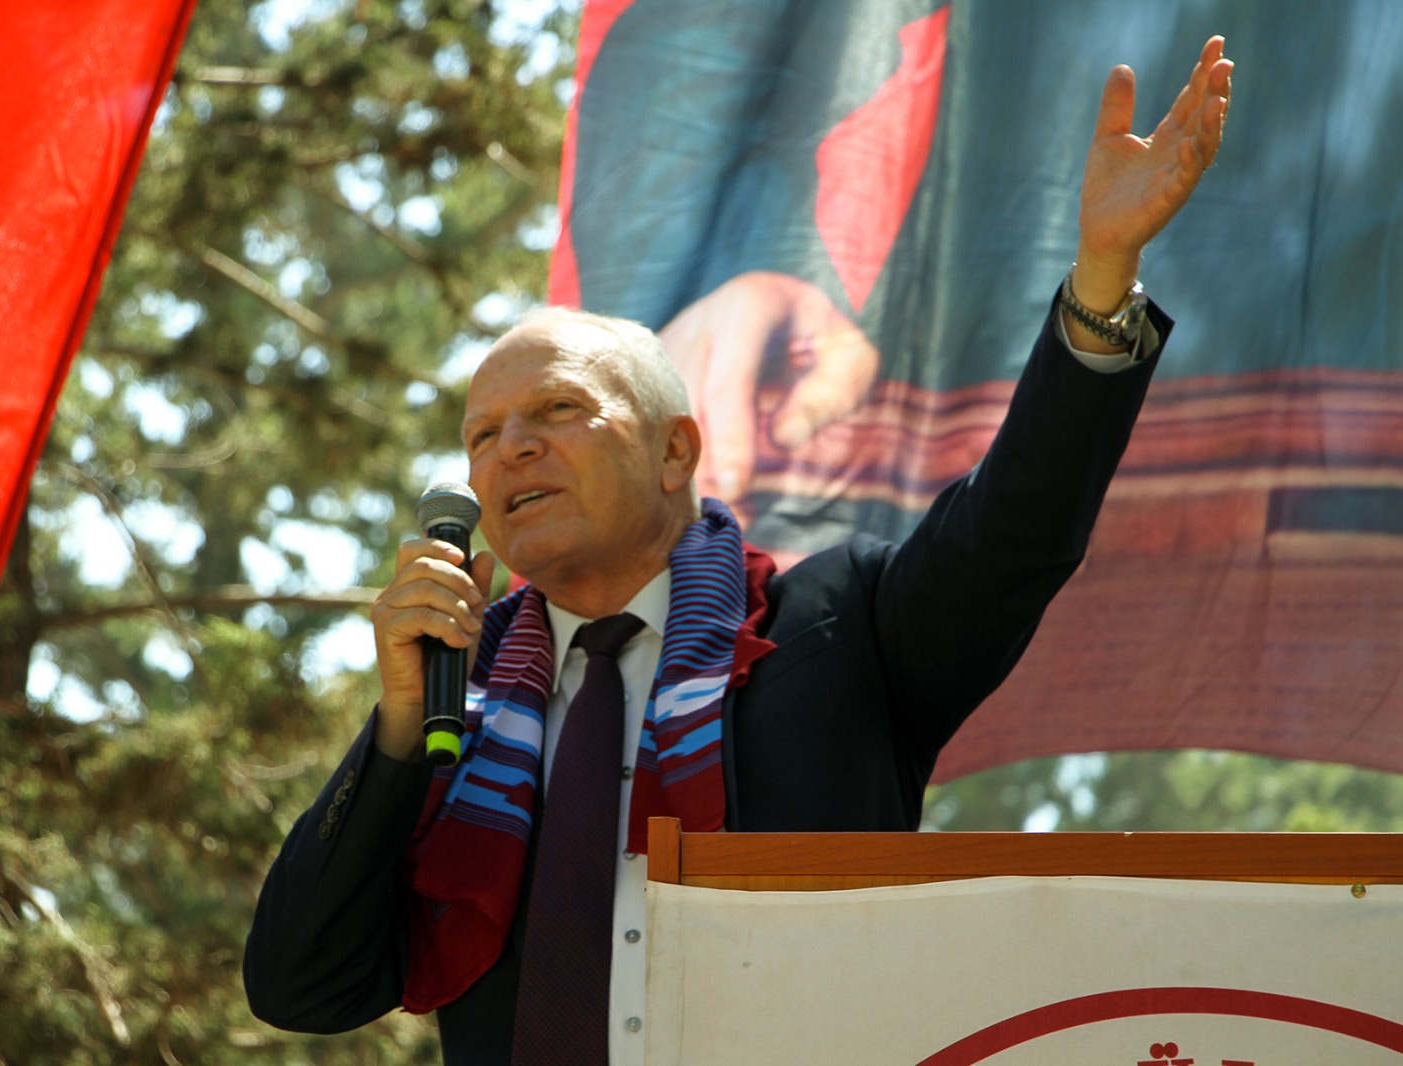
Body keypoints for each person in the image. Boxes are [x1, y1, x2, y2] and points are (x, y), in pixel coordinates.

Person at [244, 36, 1232, 1066]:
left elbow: (1016, 529)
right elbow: (300, 982)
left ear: (675, 451)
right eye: (481, 435)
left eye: (558, 409)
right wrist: (400, 730)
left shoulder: (838, 626)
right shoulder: (466, 710)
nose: (511, 449)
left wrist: (1102, 281)